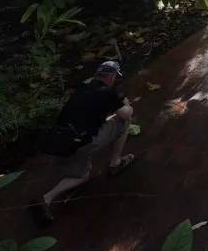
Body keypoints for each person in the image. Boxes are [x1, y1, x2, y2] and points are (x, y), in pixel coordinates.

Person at [31, 60, 135, 226]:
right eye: (115, 77)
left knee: (81, 174)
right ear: (111, 76)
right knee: (123, 122)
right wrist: (126, 103)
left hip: (62, 141)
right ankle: (115, 162)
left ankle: (47, 198)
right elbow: (125, 114)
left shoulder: (82, 88)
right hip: (83, 142)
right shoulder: (107, 92)